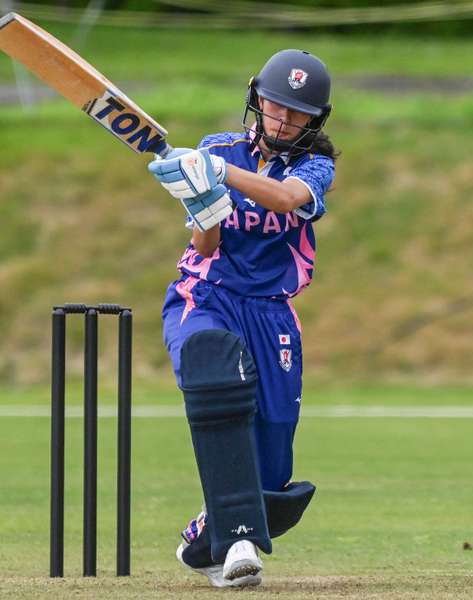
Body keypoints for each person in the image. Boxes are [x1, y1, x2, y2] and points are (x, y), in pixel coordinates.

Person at [148, 49, 337, 587]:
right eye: (275, 107)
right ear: (256, 101)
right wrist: (203, 202)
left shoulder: (316, 167)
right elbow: (204, 242)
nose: (282, 121)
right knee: (213, 374)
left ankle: (206, 540)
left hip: (271, 312)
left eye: (297, 114)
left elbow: (282, 199)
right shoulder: (217, 147)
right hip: (206, 294)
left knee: (273, 462)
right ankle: (236, 542)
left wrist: (218, 174)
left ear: (314, 121)